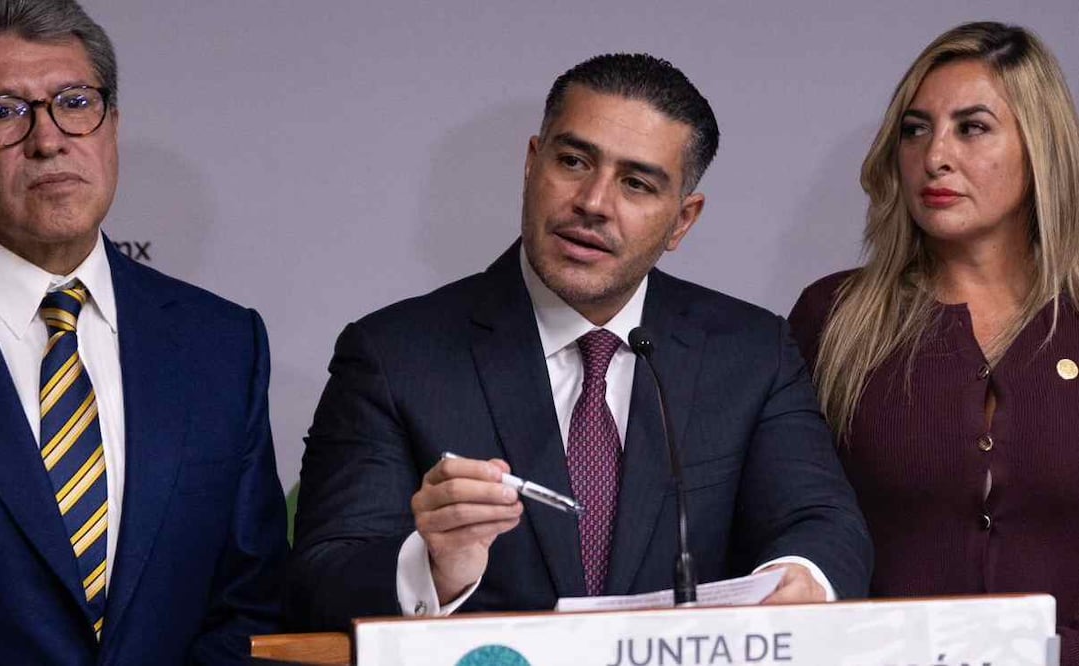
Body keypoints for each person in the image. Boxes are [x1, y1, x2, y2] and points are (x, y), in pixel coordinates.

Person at [287, 53, 871, 629]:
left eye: (637, 184)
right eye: (572, 161)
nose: (593, 203)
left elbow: (822, 522)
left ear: (682, 221)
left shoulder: (750, 351)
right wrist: (435, 565)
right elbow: (323, 574)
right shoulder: (393, 354)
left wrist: (799, 580)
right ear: (532, 163)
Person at [0, 1, 288, 663]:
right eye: (5, 111)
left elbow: (254, 602)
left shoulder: (224, 345)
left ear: (113, 127)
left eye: (74, 102)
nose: (47, 140)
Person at [789, 21, 1079, 664]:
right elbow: (788, 526)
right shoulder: (833, 318)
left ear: (1041, 146)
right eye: (915, 129)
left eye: (972, 127)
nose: (935, 155)